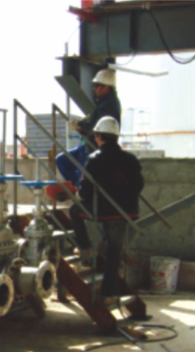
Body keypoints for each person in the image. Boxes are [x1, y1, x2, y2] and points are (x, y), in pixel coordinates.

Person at [69, 116, 144, 305]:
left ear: (99, 136)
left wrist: (79, 195)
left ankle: (85, 247)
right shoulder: (131, 159)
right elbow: (139, 185)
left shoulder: (95, 159)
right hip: (126, 210)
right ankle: (108, 292)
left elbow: (85, 190)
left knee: (74, 211)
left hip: (103, 210)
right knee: (114, 251)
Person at [67, 69, 122, 168]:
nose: (94, 89)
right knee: (63, 160)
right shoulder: (108, 103)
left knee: (64, 161)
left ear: (106, 87)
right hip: (96, 147)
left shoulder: (107, 105)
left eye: (97, 85)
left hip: (97, 148)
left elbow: (94, 127)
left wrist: (79, 124)